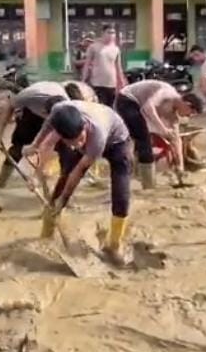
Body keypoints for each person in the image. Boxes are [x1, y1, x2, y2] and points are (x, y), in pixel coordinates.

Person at [24, 100, 133, 265]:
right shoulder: (58, 111)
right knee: (63, 180)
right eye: (72, 142)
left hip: (117, 141)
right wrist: (34, 165)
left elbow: (79, 171)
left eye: (80, 139)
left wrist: (64, 199)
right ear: (61, 136)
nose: (78, 144)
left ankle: (114, 245)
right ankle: (46, 236)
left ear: (85, 127)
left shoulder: (97, 136)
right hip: (87, 133)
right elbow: (47, 137)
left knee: (121, 193)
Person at [115, 79, 205, 188]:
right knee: (143, 139)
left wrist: (180, 167)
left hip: (140, 107)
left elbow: (176, 140)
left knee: (143, 140)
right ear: (187, 105)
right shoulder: (167, 93)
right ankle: (148, 184)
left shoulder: (173, 117)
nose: (188, 117)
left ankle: (139, 175)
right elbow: (148, 107)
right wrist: (163, 130)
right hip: (127, 98)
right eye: (189, 114)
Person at [0, 81, 82, 188]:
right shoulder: (25, 97)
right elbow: (10, 108)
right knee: (18, 148)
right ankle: (0, 183)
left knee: (65, 148)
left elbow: (49, 144)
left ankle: (64, 184)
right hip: (31, 115)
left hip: (53, 108)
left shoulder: (67, 108)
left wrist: (37, 174)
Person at [81, 25, 126, 106]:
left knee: (111, 107)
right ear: (103, 33)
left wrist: (122, 82)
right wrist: (83, 80)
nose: (111, 35)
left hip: (112, 84)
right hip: (97, 83)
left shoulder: (116, 49)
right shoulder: (94, 47)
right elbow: (87, 65)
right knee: (100, 106)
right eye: (109, 32)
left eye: (113, 33)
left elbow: (118, 67)